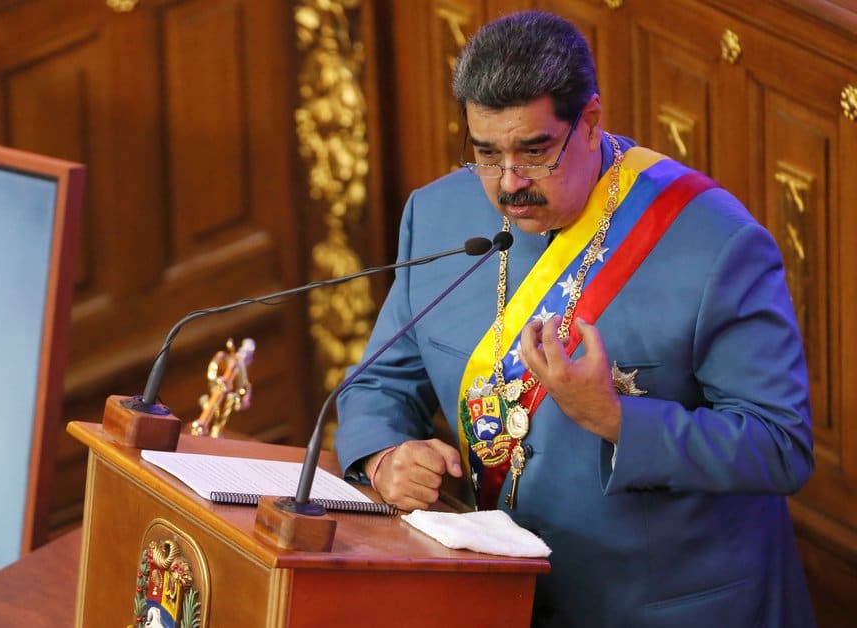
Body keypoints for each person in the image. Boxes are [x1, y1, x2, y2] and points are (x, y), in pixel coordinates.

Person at [333, 11, 814, 627]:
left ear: (589, 122)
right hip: (488, 593)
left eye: (534, 152)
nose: (509, 185)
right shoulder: (437, 215)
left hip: (663, 606)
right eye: (485, 153)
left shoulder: (717, 246)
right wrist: (385, 456)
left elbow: (782, 446)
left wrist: (615, 419)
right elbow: (378, 384)